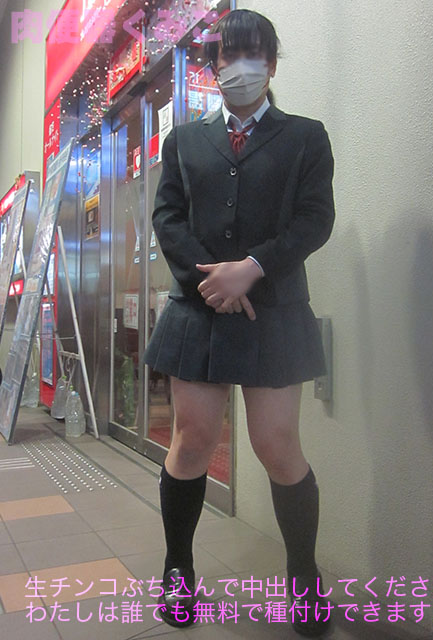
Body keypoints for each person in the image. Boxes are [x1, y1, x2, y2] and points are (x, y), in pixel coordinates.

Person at [142, 8, 336, 637]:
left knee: (276, 445)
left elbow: (314, 219)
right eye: (228, 54)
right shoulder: (183, 141)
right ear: (214, 65)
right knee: (192, 439)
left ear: (271, 64)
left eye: (253, 54)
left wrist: (251, 268)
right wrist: (212, 279)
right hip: (198, 305)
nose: (239, 66)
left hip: (273, 308)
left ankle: (303, 575)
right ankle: (177, 569)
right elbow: (168, 216)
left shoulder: (306, 137)